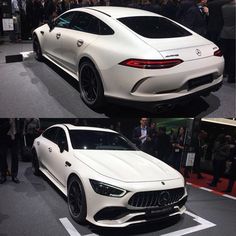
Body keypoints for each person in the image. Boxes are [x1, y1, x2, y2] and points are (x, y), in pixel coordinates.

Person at [220, 0, 236, 83]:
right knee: (233, 56)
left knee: (225, 54)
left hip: (224, 32)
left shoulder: (223, 7)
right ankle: (231, 77)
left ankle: (223, 73)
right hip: (234, 34)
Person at [0, 119, 20, 184]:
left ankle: (14, 175)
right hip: (4, 137)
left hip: (15, 137)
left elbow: (20, 124)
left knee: (15, 156)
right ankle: (3, 175)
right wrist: (9, 123)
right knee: (2, 156)